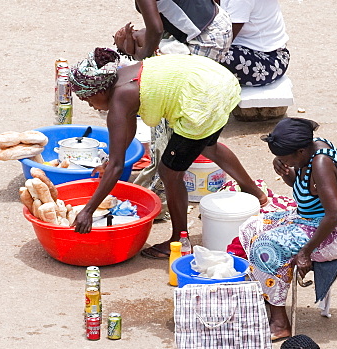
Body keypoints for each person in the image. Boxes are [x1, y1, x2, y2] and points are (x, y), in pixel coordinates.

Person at [68, 48, 266, 254]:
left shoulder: (119, 101)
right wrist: (110, 161)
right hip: (214, 79)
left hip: (202, 99)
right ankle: (255, 193)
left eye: (88, 99)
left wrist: (88, 211)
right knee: (208, 146)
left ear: (99, 90)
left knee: (170, 172)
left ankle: (180, 242)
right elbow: (128, 130)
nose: (91, 106)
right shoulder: (124, 76)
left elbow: (118, 168)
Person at [239, 118, 337, 340]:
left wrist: (305, 252)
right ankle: (266, 297)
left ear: (300, 151)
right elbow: (305, 190)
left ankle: (280, 321)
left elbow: (334, 215)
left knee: (266, 248)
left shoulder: (320, 165)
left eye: (284, 158)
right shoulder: (309, 149)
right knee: (251, 227)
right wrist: (286, 173)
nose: (281, 160)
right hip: (312, 219)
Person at [210, 0, 289, 87]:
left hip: (269, 59)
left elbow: (225, 40)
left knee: (209, 55)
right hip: (241, 47)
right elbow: (210, 5)